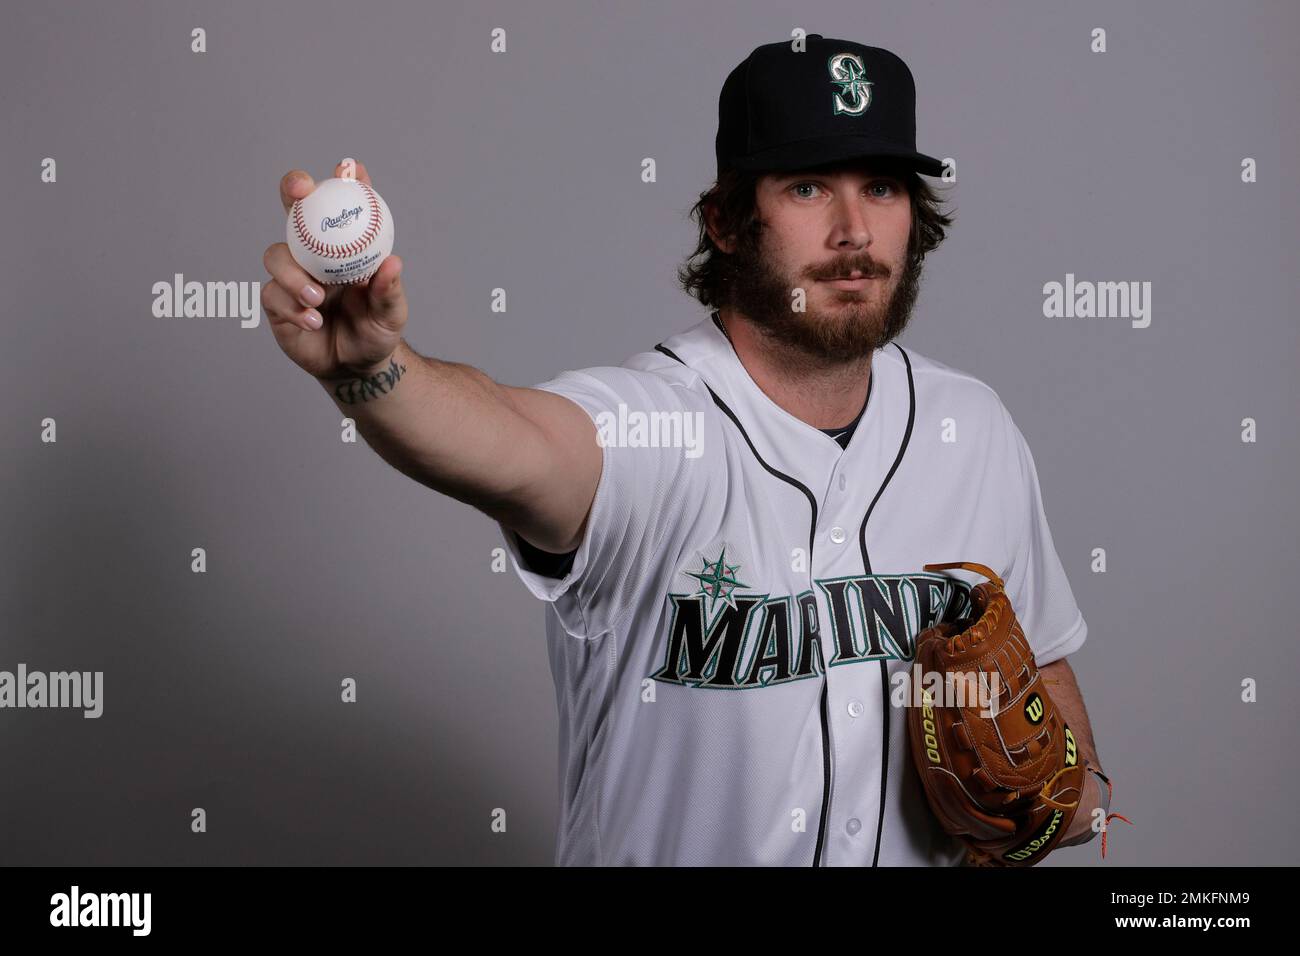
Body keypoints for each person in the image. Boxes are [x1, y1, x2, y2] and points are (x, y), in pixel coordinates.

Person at [260, 35, 1108, 866]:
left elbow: (1069, 766)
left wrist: (1046, 808)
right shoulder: (650, 425)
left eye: (881, 187)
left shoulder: (975, 429)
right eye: (808, 186)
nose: (854, 230)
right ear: (727, 222)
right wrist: (377, 371)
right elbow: (506, 441)